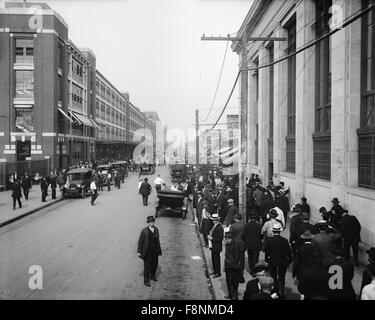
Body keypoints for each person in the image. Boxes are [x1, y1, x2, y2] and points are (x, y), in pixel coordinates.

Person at [264, 224, 292, 298]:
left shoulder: (269, 240)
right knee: (282, 277)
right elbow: (289, 251)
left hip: (272, 261)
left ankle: (275, 290)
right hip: (283, 261)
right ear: (280, 231)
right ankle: (281, 291)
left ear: (273, 231)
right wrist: (290, 260)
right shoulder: (284, 240)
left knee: (273, 276)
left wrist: (266, 260)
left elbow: (267, 252)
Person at [137, 216, 162, 287]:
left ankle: (152, 276)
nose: (152, 223)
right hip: (147, 251)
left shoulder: (156, 229)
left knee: (154, 264)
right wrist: (139, 251)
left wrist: (159, 250)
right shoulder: (144, 231)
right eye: (150, 222)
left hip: (155, 250)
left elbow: (158, 241)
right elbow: (140, 242)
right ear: (148, 223)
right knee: (147, 267)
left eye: (153, 222)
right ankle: (146, 281)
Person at [223, 231, 241, 300]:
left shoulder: (235, 246)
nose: (227, 240)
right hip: (228, 267)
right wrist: (225, 266)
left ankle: (234, 297)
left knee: (233, 283)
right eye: (226, 238)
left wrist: (230, 263)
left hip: (233, 268)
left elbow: (237, 258)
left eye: (228, 239)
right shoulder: (227, 245)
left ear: (232, 239)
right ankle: (230, 295)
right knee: (228, 282)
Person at [208, 213, 224, 278]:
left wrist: (212, 238)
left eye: (215, 220)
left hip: (217, 246)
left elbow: (220, 238)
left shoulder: (219, 227)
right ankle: (215, 271)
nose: (213, 221)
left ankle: (218, 272)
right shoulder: (214, 226)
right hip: (213, 246)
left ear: (217, 220)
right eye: (213, 220)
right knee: (213, 259)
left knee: (216, 260)